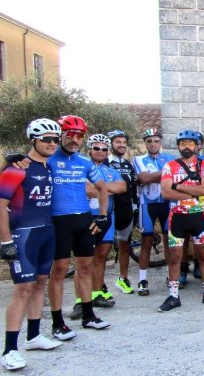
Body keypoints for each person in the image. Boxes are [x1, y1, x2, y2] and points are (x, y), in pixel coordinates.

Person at [0, 119, 63, 371]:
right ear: (33, 140)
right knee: (23, 289)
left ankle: (34, 336)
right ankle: (9, 350)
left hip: (46, 231)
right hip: (23, 234)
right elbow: (0, 205)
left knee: (39, 284)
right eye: (46, 139)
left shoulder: (47, 168)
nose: (51, 143)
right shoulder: (16, 168)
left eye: (55, 140)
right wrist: (5, 240)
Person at [45, 115, 111, 337]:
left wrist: (102, 216)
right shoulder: (48, 158)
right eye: (70, 135)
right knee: (60, 271)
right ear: (60, 135)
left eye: (80, 136)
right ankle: (57, 322)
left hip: (83, 219)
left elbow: (102, 188)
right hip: (58, 220)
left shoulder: (84, 162)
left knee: (85, 268)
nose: (75, 140)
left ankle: (88, 315)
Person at [158, 130, 204, 312]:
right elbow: (166, 193)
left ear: (196, 146)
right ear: (178, 145)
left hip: (199, 216)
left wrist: (177, 186)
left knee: (202, 256)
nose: (186, 147)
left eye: (190, 143)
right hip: (176, 216)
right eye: (183, 143)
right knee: (175, 257)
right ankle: (173, 296)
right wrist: (192, 189)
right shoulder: (169, 166)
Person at [84, 134, 126, 312]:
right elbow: (85, 190)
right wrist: (107, 189)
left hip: (107, 217)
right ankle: (81, 300)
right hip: (87, 217)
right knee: (84, 260)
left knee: (101, 256)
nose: (100, 151)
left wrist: (100, 189)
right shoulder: (82, 167)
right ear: (89, 150)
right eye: (96, 148)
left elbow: (122, 187)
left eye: (104, 149)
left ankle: (97, 294)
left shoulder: (110, 170)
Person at [133, 128, 174, 295]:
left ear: (161, 142)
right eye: (149, 141)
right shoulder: (139, 159)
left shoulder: (169, 158)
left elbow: (151, 178)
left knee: (168, 242)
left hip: (166, 203)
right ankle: (142, 280)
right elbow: (143, 179)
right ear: (145, 143)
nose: (153, 144)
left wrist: (152, 176)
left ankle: (171, 277)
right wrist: (165, 173)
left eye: (156, 140)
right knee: (146, 242)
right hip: (147, 205)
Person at [106, 130, 139, 295]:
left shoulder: (127, 164)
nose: (122, 145)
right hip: (108, 209)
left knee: (124, 245)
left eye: (124, 142)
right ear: (111, 143)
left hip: (126, 209)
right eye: (118, 142)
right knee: (102, 249)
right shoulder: (105, 162)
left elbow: (133, 187)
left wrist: (136, 205)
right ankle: (97, 285)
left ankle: (123, 278)